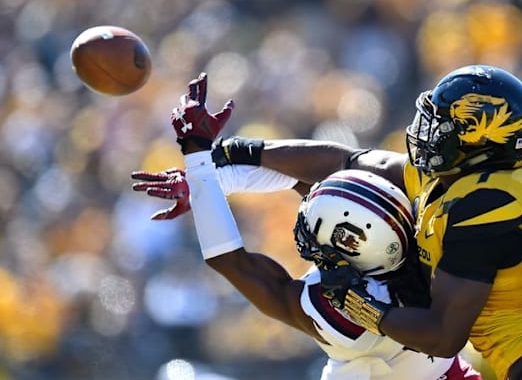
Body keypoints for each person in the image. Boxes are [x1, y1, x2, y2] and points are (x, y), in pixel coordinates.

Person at [133, 67, 522, 379]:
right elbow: (343, 163)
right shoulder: (461, 182)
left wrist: (204, 170)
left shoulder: (481, 209)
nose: (425, 132)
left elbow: (441, 335)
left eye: (442, 124)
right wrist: (219, 161)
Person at [133, 72, 483, 380]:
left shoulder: (336, 311)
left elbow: (229, 259)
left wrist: (200, 162)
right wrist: (212, 176)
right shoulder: (430, 240)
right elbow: (330, 175)